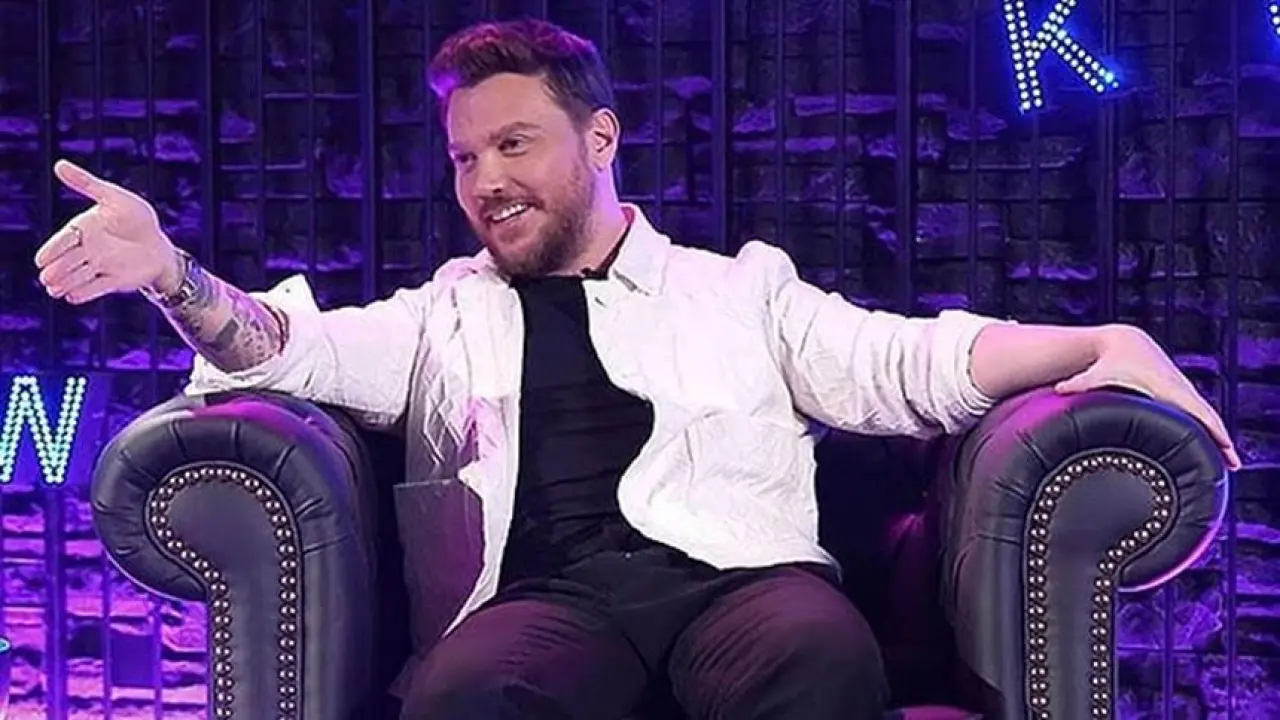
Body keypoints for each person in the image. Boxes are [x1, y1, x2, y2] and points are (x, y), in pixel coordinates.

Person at [34, 18, 1236, 720]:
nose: (484, 179)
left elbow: (906, 361)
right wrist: (171, 275)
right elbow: (287, 346)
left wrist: (1100, 344)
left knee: (820, 654)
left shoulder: (738, 288)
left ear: (598, 139)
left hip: (739, 586)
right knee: (464, 694)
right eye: (463, 156)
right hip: (545, 601)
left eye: (513, 143)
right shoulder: (441, 314)